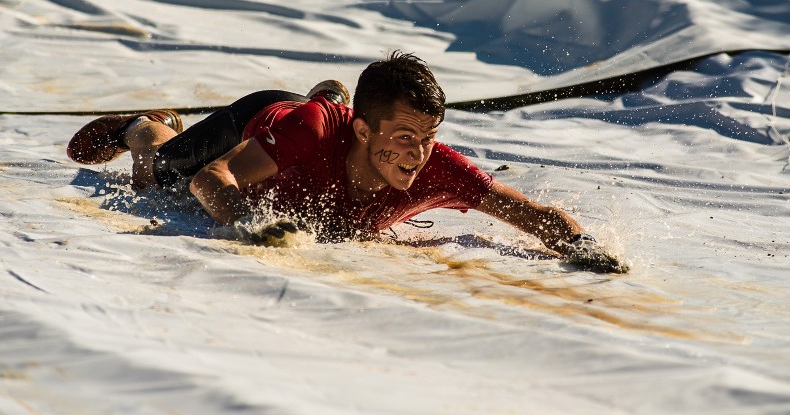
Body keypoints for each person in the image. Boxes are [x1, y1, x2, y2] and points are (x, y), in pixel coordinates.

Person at [67, 51, 626, 273]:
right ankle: (144, 132)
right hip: (268, 122)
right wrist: (250, 228)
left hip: (327, 125)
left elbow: (523, 209)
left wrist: (585, 248)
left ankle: (332, 94)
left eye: (429, 136)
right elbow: (215, 179)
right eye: (404, 135)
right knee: (158, 184)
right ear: (365, 129)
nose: (417, 153)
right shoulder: (308, 135)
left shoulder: (436, 167)